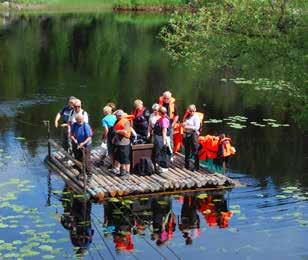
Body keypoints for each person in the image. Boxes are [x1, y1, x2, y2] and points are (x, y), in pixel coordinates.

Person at [110, 110, 132, 178]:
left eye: (116, 116)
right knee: (120, 158)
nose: (116, 117)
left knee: (125, 158)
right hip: (118, 142)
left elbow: (125, 132)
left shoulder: (126, 122)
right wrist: (114, 138)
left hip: (124, 142)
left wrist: (118, 131)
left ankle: (127, 173)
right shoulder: (117, 121)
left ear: (120, 116)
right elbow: (115, 130)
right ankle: (122, 172)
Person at [182, 104, 201, 171]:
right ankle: (186, 165)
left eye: (193, 111)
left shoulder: (196, 117)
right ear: (188, 110)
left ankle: (196, 166)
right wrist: (183, 125)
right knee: (187, 150)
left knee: (195, 150)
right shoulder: (187, 116)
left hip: (194, 135)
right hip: (187, 134)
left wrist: (187, 126)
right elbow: (184, 124)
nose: (192, 112)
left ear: (195, 110)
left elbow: (196, 127)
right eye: (190, 111)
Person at [153, 106, 171, 172]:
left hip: (161, 138)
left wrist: (164, 141)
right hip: (158, 138)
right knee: (157, 152)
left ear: (160, 113)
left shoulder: (164, 120)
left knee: (162, 153)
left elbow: (164, 131)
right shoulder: (160, 119)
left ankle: (164, 167)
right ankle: (158, 166)